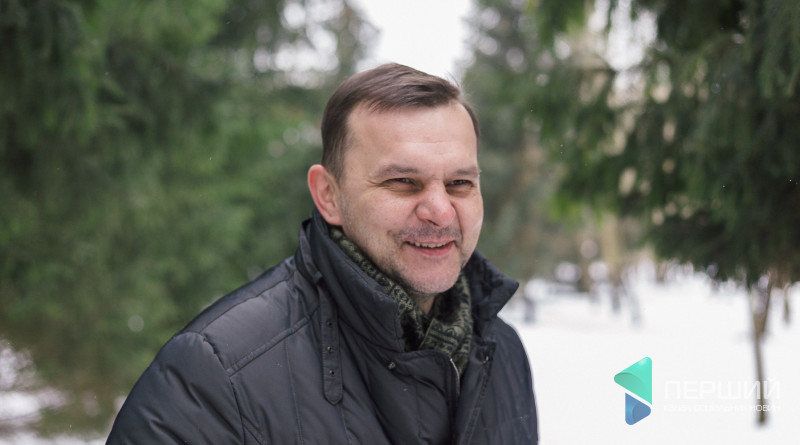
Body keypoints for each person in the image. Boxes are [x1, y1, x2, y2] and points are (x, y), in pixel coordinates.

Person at [106, 63, 538, 444]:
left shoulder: (500, 352)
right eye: (403, 182)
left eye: (460, 184)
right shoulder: (217, 376)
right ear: (328, 195)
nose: (440, 211)